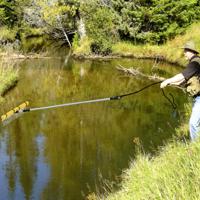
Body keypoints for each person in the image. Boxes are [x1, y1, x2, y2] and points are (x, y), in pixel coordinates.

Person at [160, 41, 200, 141]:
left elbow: (181, 75)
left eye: (186, 51)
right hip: (197, 98)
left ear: (191, 51)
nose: (184, 53)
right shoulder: (194, 62)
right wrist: (170, 83)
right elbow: (182, 81)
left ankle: (195, 147)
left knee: (193, 123)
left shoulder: (195, 62)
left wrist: (167, 80)